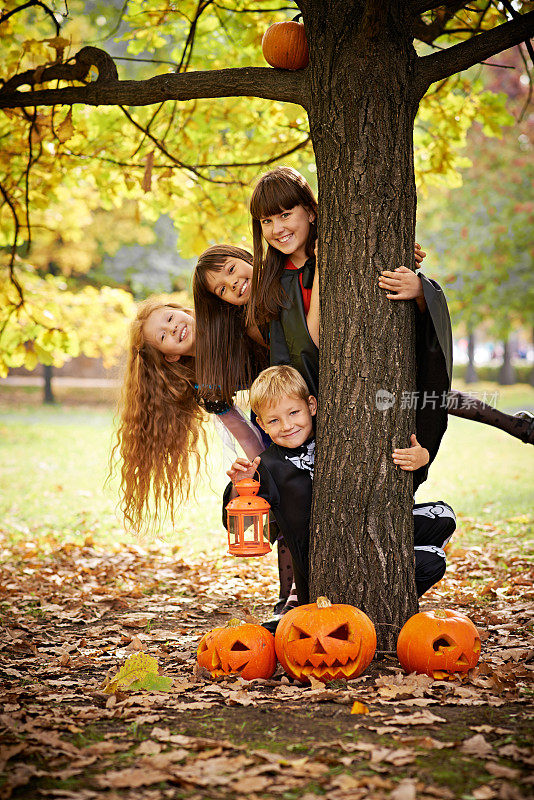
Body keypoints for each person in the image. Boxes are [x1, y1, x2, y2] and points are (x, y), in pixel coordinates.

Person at [222, 366, 456, 630]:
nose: (287, 426)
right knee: (432, 558)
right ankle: (357, 617)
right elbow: (244, 528)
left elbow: (391, 483)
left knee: (444, 518)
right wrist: (240, 487)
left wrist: (420, 459)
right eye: (274, 420)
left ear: (311, 405)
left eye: (293, 412)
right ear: (261, 424)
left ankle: (379, 598)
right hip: (322, 570)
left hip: (369, 536)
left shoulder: (339, 438)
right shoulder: (267, 466)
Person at [112, 296, 265, 536]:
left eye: (170, 318)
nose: (172, 328)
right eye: (163, 337)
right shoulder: (207, 387)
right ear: (170, 356)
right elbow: (246, 438)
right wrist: (269, 471)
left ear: (186, 311)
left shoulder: (226, 317)